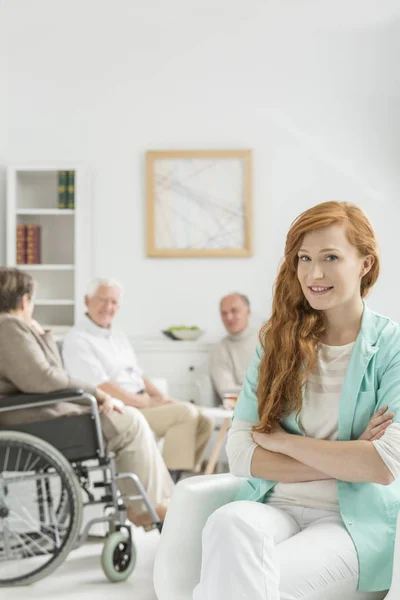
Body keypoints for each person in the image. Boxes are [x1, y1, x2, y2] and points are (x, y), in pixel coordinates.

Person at [193, 201, 400, 600]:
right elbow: (240, 454)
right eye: (304, 258)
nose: (313, 273)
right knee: (227, 524)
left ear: (365, 264)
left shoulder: (391, 347)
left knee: (233, 585)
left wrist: (283, 443)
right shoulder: (275, 341)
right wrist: (348, 455)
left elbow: (384, 465)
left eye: (330, 257)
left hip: (347, 523)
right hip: (272, 505)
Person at [0, 268, 174, 530]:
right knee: (130, 421)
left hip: (33, 417)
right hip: (37, 420)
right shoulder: (10, 328)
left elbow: (50, 374)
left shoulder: (12, 328)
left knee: (128, 419)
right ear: (24, 301)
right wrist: (97, 393)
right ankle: (146, 508)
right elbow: (48, 379)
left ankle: (154, 503)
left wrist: (41, 334)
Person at [62, 278, 214, 477]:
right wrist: (146, 402)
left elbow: (138, 375)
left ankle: (186, 478)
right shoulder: (77, 340)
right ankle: (170, 483)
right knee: (185, 413)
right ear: (86, 300)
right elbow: (101, 387)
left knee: (205, 418)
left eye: (114, 302)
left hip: (140, 401)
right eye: (103, 300)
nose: (108, 307)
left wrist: (162, 397)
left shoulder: (117, 335)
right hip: (117, 409)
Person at [209, 293, 258, 401]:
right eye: (224, 313)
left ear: (248, 311)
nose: (229, 317)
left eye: (234, 311)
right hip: (244, 407)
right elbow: (226, 391)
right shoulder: (219, 350)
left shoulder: (268, 339)